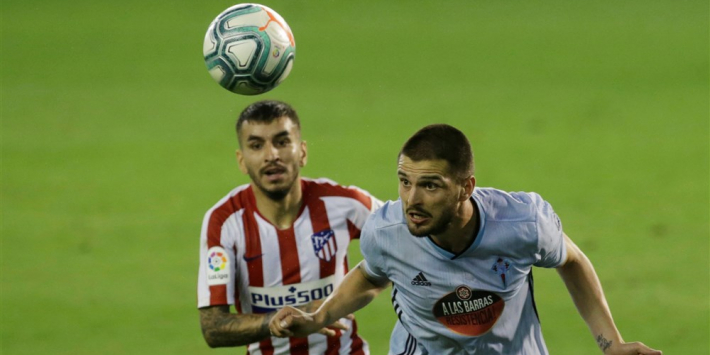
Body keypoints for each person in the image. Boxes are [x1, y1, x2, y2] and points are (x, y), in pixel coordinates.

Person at [268, 124, 663, 355]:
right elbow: (371, 275)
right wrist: (319, 317)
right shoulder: (386, 231)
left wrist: (611, 345)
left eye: (430, 186)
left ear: (465, 187)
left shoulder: (523, 223)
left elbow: (571, 260)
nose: (412, 200)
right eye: (404, 183)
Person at [197, 100, 383, 354]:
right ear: (242, 161)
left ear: (302, 152)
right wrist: (277, 320)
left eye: (282, 142)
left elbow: (407, 238)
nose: (271, 155)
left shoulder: (345, 204)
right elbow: (213, 327)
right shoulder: (224, 221)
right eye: (256, 145)